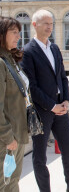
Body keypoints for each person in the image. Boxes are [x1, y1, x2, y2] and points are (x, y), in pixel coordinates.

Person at [21, 10, 69, 192]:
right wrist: (52, 106)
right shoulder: (27, 52)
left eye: (51, 23)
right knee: (40, 156)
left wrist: (65, 100)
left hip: (60, 108)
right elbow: (31, 87)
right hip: (42, 111)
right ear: (34, 25)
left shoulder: (54, 48)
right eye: (45, 23)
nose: (49, 27)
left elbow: (62, 77)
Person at [0, 16, 29, 191]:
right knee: (6, 184)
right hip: (8, 138)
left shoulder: (9, 59)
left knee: (13, 181)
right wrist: (8, 137)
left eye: (19, 32)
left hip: (17, 134)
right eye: (14, 32)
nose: (19, 36)